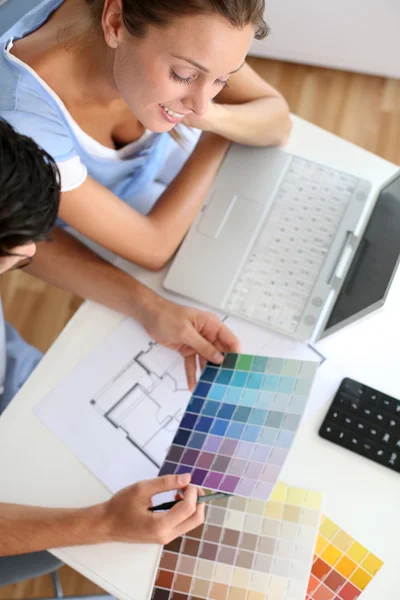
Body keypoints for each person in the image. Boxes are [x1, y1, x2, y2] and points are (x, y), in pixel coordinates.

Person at [0, 119, 210, 562]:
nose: (31, 257)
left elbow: (33, 248)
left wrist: (150, 307)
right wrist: (104, 523)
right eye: (16, 261)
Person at [0, 0, 291, 272]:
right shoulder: (25, 122)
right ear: (114, 23)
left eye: (222, 80)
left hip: (148, 163)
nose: (201, 105)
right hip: (87, 214)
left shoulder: (194, 29)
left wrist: (217, 119)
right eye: (182, 74)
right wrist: (223, 130)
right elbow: (153, 247)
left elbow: (278, 119)